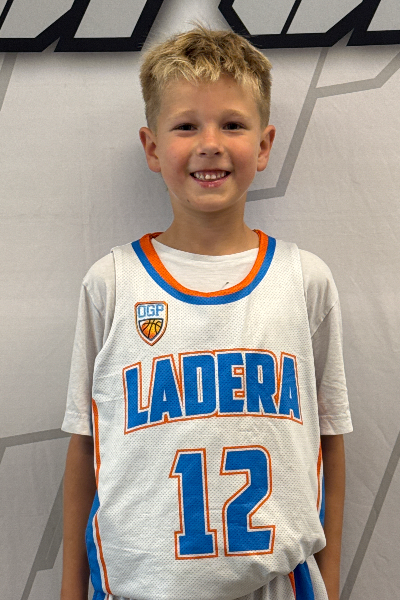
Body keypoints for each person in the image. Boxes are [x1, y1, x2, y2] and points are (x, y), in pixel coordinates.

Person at [60, 26, 352, 600]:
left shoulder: (305, 281)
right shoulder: (111, 284)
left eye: (233, 125)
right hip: (141, 587)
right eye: (186, 125)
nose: (210, 143)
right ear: (152, 147)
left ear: (264, 145)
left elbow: (330, 441)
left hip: (276, 583)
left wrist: (332, 582)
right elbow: (85, 447)